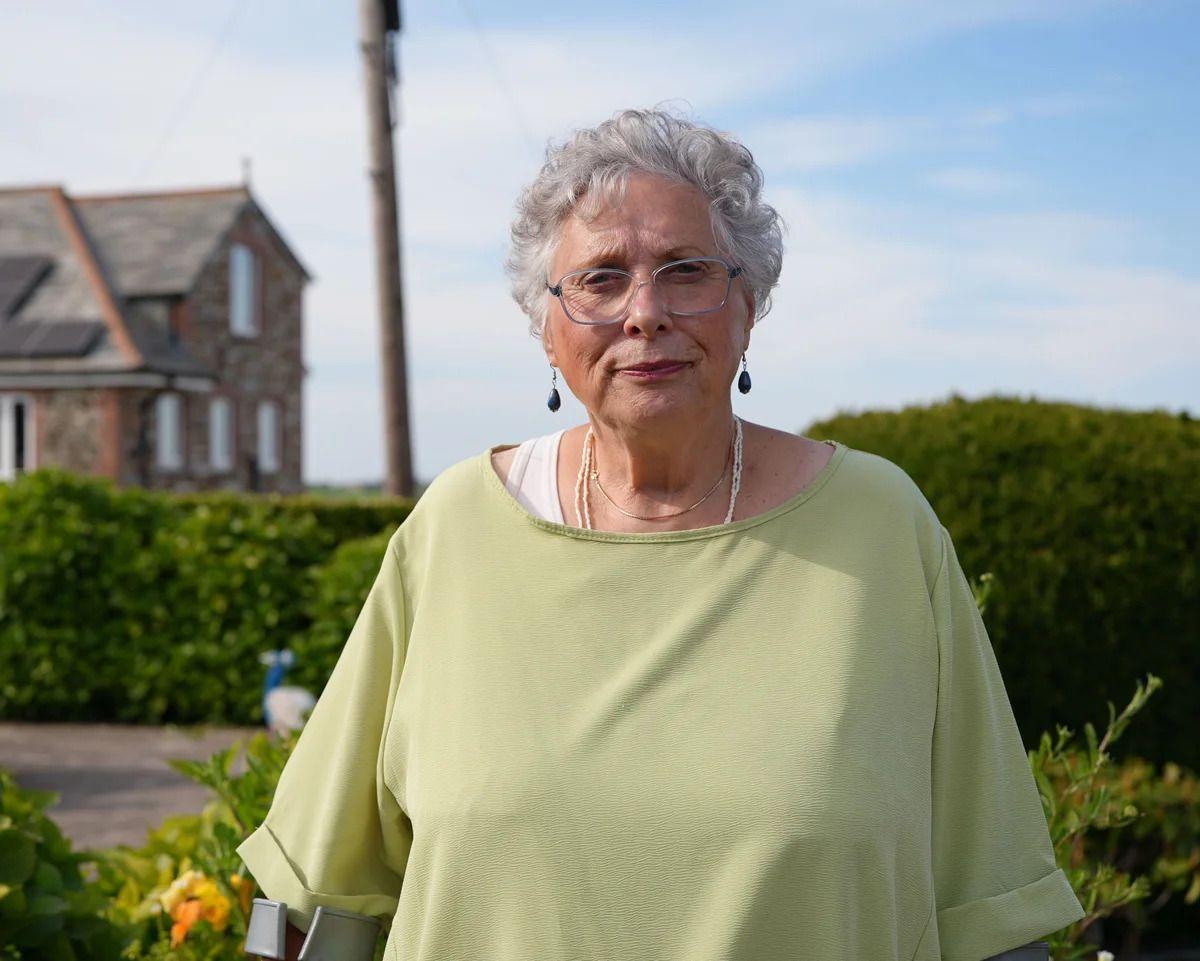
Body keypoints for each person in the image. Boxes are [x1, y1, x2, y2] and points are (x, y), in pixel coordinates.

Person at [236, 108, 1085, 961]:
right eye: (601, 279)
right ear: (548, 329)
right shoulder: (453, 530)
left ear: (746, 306)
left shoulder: (883, 529)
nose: (645, 311)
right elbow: (314, 907)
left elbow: (991, 913)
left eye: (686, 271)